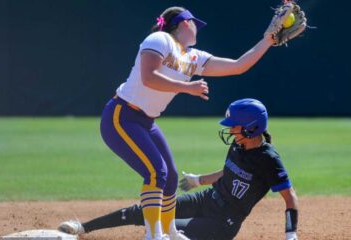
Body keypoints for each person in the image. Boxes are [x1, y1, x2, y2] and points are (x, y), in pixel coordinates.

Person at [87, 5, 276, 240]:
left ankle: (171, 233)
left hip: (146, 122)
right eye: (195, 24)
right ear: (186, 23)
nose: (197, 28)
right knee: (157, 173)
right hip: (122, 116)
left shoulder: (194, 58)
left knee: (170, 177)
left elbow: (239, 66)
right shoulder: (160, 39)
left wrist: (268, 40)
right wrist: (187, 87)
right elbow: (148, 77)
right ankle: (154, 236)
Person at [59, 99, 299, 240]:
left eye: (233, 126)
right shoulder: (239, 145)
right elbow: (229, 171)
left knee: (163, 233)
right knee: (147, 210)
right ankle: (83, 228)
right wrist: (199, 180)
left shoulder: (269, 159)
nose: (229, 130)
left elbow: (290, 198)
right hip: (207, 199)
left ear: (251, 127)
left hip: (223, 222)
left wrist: (291, 235)